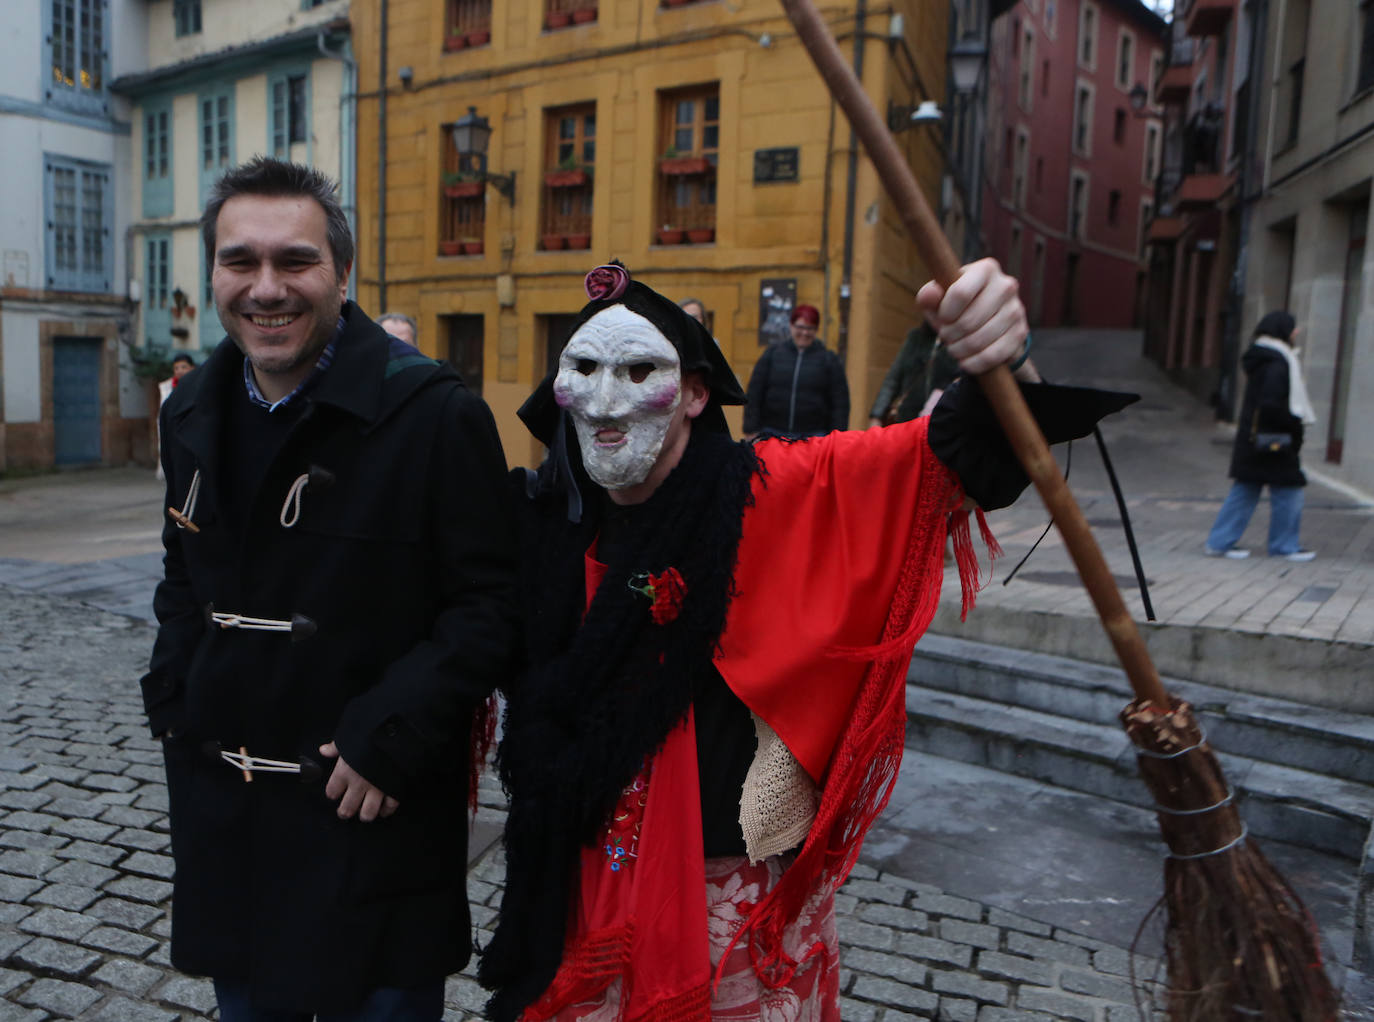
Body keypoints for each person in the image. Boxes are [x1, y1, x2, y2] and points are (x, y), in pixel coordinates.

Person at [478, 260, 1132, 1021]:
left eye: (637, 370)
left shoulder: (775, 488)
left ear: (694, 394)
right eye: (582, 369)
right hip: (571, 888)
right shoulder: (541, 517)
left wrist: (1001, 359)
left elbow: (955, 450)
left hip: (727, 899)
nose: (605, 398)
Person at [143, 156, 518, 1020]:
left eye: (295, 262)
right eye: (241, 261)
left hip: (369, 813)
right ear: (214, 274)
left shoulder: (435, 414)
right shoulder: (189, 408)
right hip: (229, 810)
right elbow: (179, 566)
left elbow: (491, 605)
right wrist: (174, 686)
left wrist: (396, 730)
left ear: (341, 274)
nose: (266, 288)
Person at [1205, 310, 1318, 561]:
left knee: (1246, 489)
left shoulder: (1264, 358)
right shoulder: (1278, 363)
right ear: (1282, 331)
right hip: (1274, 440)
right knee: (1290, 490)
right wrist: (1292, 428)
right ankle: (1284, 546)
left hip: (1255, 440)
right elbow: (1272, 404)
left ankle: (1219, 543)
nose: (1296, 332)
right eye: (1292, 328)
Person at [742, 304, 849, 438]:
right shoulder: (772, 354)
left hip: (813, 436)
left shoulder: (829, 360)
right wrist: (751, 429)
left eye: (810, 328)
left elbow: (840, 403)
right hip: (772, 433)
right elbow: (754, 393)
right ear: (791, 326)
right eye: (800, 327)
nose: (804, 333)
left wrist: (837, 437)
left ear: (816, 330)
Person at [867, 322, 961, 426]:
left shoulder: (958, 343)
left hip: (937, 425)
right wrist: (876, 417)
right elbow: (892, 380)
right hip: (906, 420)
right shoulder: (916, 338)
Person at [156, 354, 198, 481]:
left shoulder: (199, 385)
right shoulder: (167, 388)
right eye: (177, 368)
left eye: (184, 367)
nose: (180, 371)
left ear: (192, 368)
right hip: (173, 435)